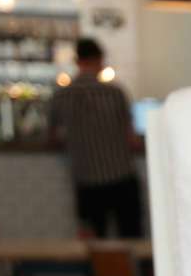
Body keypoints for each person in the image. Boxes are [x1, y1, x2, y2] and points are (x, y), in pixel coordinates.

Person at [48, 38, 143, 238]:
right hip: (121, 177)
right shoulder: (115, 93)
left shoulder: (61, 96)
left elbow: (52, 137)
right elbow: (131, 138)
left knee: (94, 244)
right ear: (99, 59)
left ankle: (99, 271)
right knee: (131, 237)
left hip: (86, 180)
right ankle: (133, 271)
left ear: (77, 61)